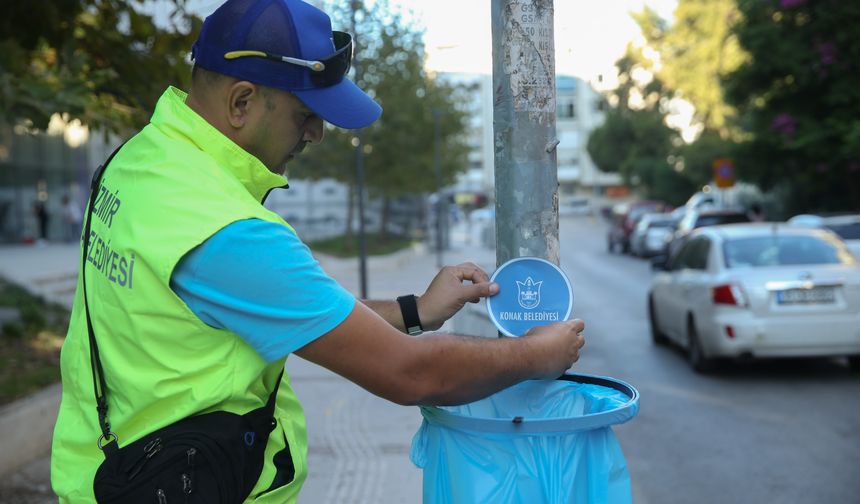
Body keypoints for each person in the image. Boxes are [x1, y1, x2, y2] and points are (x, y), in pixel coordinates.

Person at [50, 0, 586, 502]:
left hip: (107, 471)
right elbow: (411, 374)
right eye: (305, 112)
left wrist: (415, 311)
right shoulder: (226, 230)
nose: (318, 132)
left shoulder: (140, 160)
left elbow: (295, 312)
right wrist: (535, 355)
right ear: (242, 102)